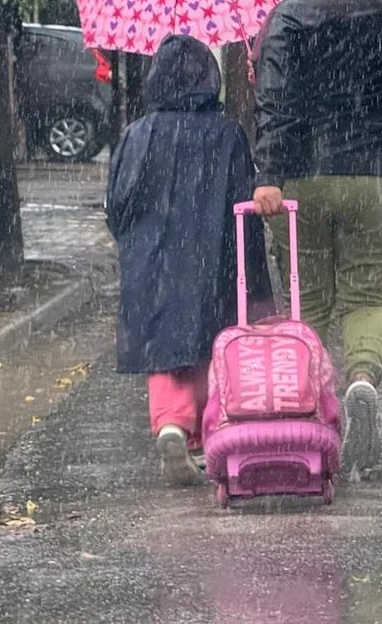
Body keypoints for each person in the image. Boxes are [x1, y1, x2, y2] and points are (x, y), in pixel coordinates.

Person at [250, 0, 382, 478]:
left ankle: (318, 419)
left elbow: (275, 107)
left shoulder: (286, 20)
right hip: (380, 172)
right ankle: (362, 377)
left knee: (306, 303)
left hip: (306, 176)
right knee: (368, 293)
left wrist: (268, 174)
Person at [107, 35, 272, 486]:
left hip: (153, 260)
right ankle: (200, 434)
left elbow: (116, 206)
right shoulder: (228, 135)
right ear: (211, 79)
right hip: (211, 256)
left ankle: (171, 425)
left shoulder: (136, 135)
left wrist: (135, 242)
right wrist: (255, 280)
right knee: (207, 344)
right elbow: (245, 207)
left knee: (165, 349)